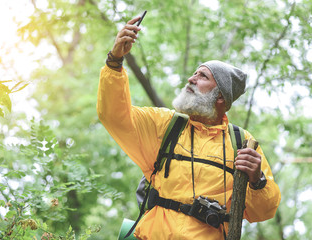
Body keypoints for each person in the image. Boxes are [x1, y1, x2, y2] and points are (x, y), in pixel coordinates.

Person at [97, 16, 281, 240]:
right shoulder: (165, 125)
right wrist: (115, 61)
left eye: (202, 76)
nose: (191, 79)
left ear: (221, 96)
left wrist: (257, 180)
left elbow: (263, 212)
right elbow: (113, 115)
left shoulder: (241, 142)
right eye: (194, 73)